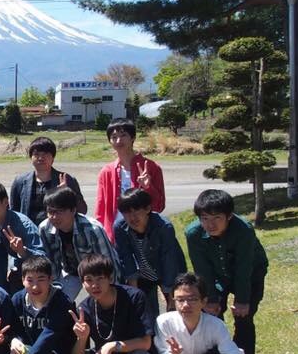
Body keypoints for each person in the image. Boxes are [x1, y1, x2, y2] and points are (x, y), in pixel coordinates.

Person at [185, 189, 268, 354]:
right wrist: (211, 299)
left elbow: (244, 268)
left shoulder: (243, 230)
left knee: (244, 317)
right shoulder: (193, 233)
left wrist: (242, 300)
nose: (210, 224)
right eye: (205, 218)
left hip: (251, 273)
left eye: (217, 218)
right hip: (216, 275)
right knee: (211, 316)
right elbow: (202, 269)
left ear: (229, 216)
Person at [113, 187, 187, 323]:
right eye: (127, 212)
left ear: (147, 209)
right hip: (142, 274)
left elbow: (169, 260)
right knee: (146, 316)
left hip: (167, 272)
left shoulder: (164, 226)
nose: (132, 217)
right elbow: (125, 257)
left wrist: (170, 292)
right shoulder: (120, 227)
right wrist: (133, 288)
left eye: (136, 211)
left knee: (175, 313)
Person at [39, 186, 121, 302]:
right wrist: (53, 289)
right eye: (50, 212)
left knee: (102, 302)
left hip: (96, 275)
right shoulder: (44, 228)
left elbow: (109, 263)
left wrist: (113, 292)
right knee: (57, 303)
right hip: (70, 272)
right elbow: (50, 263)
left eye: (59, 211)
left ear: (73, 210)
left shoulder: (93, 229)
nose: (54, 217)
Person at [95, 119, 165, 239]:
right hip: (115, 236)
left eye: (123, 135)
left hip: (145, 234)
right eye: (114, 137)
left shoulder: (152, 168)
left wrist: (148, 188)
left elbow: (159, 206)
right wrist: (100, 235)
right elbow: (100, 209)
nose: (118, 140)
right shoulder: (106, 172)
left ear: (133, 137)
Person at [0, 180, 46, 291]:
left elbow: (43, 258)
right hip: (18, 268)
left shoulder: (23, 225)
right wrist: (1, 289)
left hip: (39, 274)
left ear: (5, 202)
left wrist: (22, 251)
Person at [9, 136, 87, 225]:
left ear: (53, 158)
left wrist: (68, 193)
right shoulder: (20, 181)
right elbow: (13, 212)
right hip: (28, 231)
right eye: (36, 154)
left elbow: (82, 210)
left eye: (45, 154)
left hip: (57, 230)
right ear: (30, 157)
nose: (40, 158)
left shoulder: (66, 179)